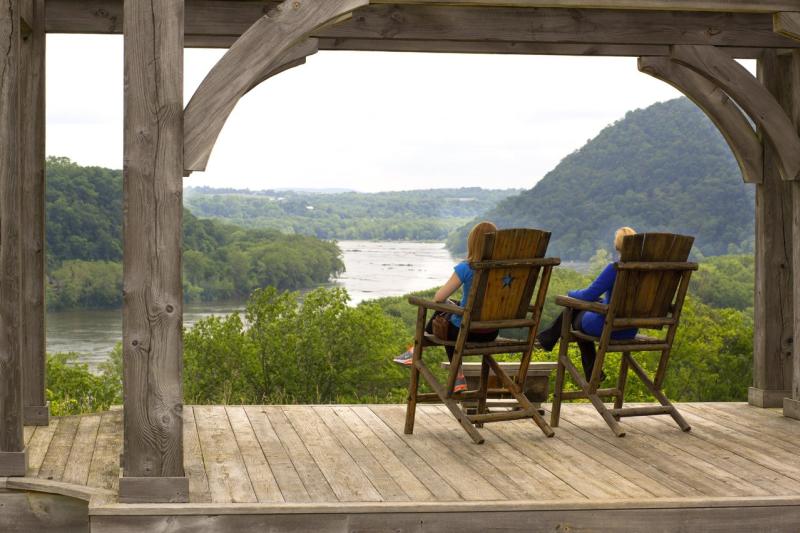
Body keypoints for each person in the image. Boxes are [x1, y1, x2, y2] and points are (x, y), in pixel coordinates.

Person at [394, 221, 500, 392]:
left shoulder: (467, 267)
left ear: (472, 243)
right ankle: (450, 371)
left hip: (466, 332)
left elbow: (439, 297)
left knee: (445, 318)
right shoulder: (505, 270)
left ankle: (422, 354)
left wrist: (447, 304)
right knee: (453, 311)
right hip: (491, 332)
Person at [536, 227, 638, 382]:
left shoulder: (615, 268)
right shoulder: (645, 271)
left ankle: (549, 340)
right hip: (630, 330)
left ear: (617, 246)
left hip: (606, 327)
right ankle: (549, 340)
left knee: (575, 310)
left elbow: (588, 295)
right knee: (586, 306)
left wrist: (571, 293)